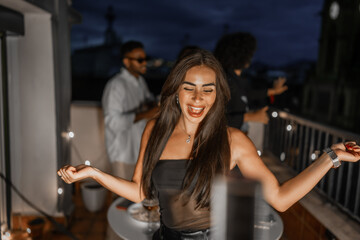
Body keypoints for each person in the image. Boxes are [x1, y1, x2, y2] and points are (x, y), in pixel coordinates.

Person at [58, 49, 360, 239]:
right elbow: (140, 190)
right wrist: (93, 173)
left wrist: (330, 157)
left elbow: (280, 199)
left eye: (207, 90)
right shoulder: (155, 129)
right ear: (176, 91)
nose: (198, 98)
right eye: (189, 88)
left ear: (217, 95)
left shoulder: (233, 140)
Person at [101, 40, 159, 180]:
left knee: (138, 196)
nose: (144, 63)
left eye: (146, 59)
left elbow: (148, 100)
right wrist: (147, 113)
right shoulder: (116, 85)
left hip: (138, 149)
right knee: (123, 199)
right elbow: (112, 122)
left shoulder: (140, 82)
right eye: (140, 60)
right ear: (126, 62)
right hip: (123, 153)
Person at [214, 32, 288, 133]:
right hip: (226, 139)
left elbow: (248, 93)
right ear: (242, 54)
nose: (251, 58)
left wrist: (273, 91)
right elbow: (215, 119)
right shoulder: (226, 80)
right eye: (250, 53)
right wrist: (250, 117)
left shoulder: (236, 79)